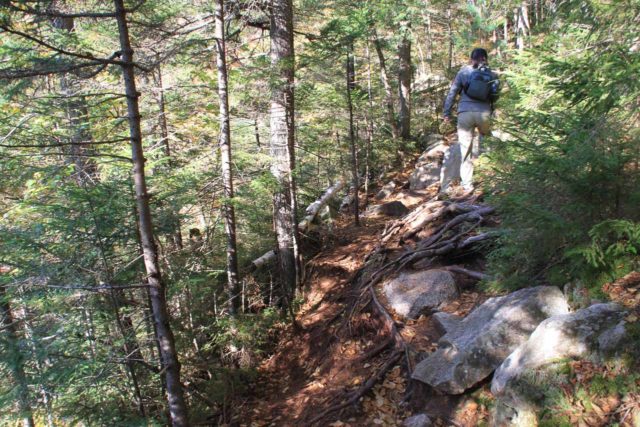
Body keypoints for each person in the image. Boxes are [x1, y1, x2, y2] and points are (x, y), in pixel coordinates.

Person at [439, 48, 499, 196]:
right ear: (485, 59)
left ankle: (467, 185)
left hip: (464, 113)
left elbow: (452, 93)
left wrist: (446, 113)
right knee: (489, 140)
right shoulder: (492, 74)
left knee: (465, 150)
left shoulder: (463, 72)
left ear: (471, 59)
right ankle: (493, 174)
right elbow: (495, 95)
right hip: (484, 113)